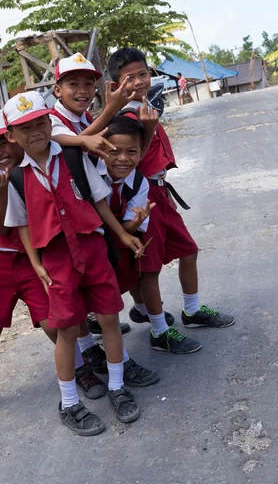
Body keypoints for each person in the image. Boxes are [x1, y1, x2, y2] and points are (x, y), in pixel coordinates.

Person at [0, 111, 106, 430]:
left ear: (15, 137)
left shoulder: (37, 169)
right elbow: (2, 229)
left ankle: (79, 369)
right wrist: (4, 192)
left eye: (2, 142)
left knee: (56, 322)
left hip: (37, 258)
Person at [3, 91, 144, 436]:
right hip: (56, 261)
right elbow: (21, 224)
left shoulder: (74, 157)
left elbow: (99, 202)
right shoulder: (17, 179)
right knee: (66, 330)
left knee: (110, 318)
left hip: (93, 249)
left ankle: (116, 386)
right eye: (26, 128)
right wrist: (36, 264)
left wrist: (123, 236)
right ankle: (69, 403)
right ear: (11, 136)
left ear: (49, 124)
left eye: (40, 123)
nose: (36, 132)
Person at [107, 48, 235, 355]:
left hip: (159, 191)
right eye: (129, 77)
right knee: (148, 268)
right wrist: (148, 131)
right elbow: (127, 162)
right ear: (115, 86)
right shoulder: (125, 117)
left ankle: (191, 310)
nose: (138, 81)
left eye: (143, 74)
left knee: (187, 250)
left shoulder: (146, 105)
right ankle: (159, 331)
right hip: (142, 197)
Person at [48, 54, 161, 386]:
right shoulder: (53, 122)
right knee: (79, 298)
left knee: (98, 294)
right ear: (57, 89)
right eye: (73, 83)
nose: (82, 90)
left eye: (88, 83)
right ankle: (97, 357)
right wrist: (108, 113)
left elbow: (111, 161)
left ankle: (105, 359)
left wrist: (124, 231)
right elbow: (65, 146)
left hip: (91, 219)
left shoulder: (83, 121)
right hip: (65, 225)